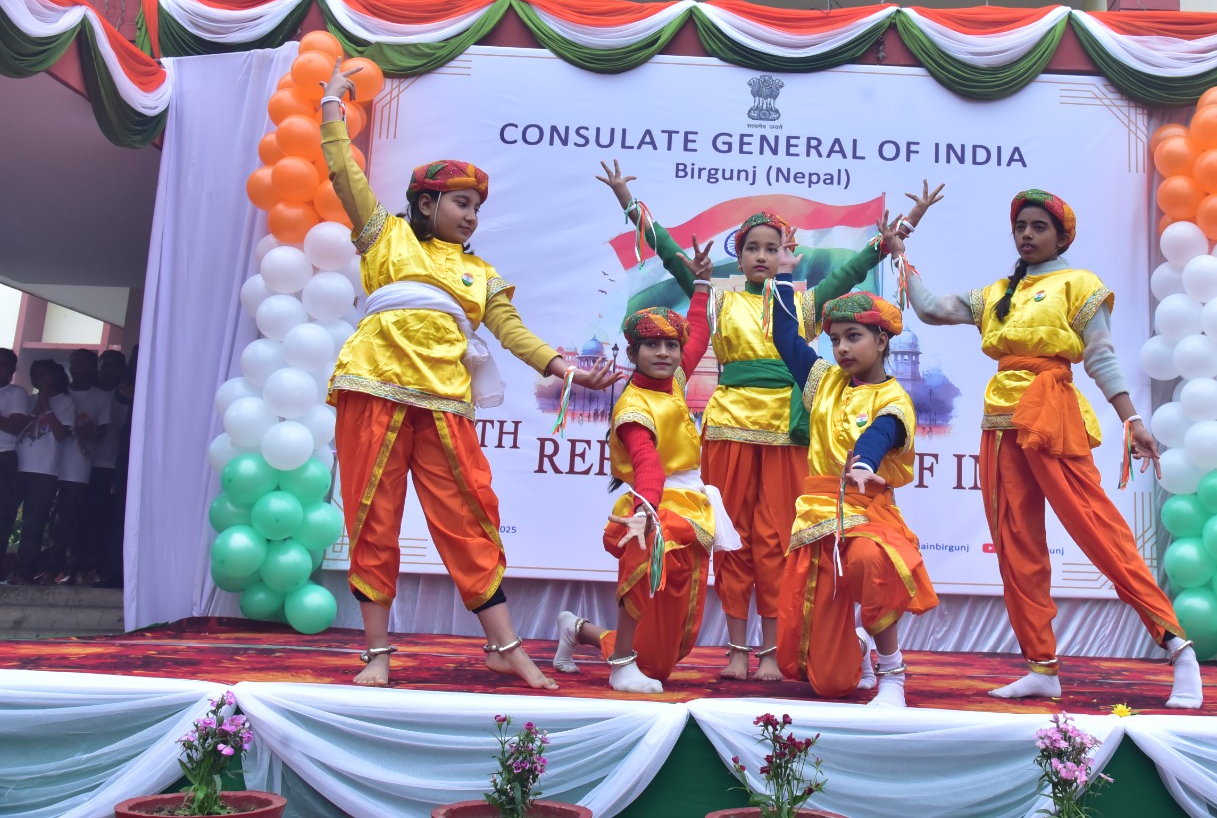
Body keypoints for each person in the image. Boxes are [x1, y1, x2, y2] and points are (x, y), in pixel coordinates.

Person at [318, 62, 624, 690]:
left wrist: (566, 369)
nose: (471, 216)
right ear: (426, 203)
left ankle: (505, 645)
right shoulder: (385, 236)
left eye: (478, 207)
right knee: (372, 516)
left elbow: (512, 331)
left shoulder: (480, 273)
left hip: (445, 403)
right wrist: (330, 108)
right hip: (372, 388)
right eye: (462, 203)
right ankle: (376, 653)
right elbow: (345, 176)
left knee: (469, 515)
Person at [595, 162, 928, 683]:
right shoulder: (721, 299)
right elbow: (673, 259)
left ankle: (771, 650)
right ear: (739, 254)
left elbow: (848, 277)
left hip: (788, 431)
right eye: (752, 247)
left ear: (785, 255)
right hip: (728, 428)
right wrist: (629, 204)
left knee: (777, 539)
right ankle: (734, 649)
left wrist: (889, 240)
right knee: (732, 538)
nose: (762, 256)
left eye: (772, 248)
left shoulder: (802, 303)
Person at [905, 187, 1200, 709]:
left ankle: (1179, 650)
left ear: (1062, 236)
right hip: (999, 426)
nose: (1027, 235)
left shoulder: (1077, 284)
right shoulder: (998, 293)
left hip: (1052, 415)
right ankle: (1041, 667)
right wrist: (898, 248)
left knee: (1100, 531)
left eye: (1039, 227)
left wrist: (1131, 417)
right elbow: (930, 310)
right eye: (1021, 227)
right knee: (1016, 545)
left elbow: (1101, 355)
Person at [554, 241, 740, 693]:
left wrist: (699, 284)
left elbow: (698, 331)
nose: (664, 352)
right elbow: (647, 465)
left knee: (663, 658)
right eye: (651, 345)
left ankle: (577, 630)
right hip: (654, 504)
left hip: (692, 504)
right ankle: (621, 662)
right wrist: (646, 511)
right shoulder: (634, 407)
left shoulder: (674, 381)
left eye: (669, 346)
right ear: (632, 352)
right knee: (644, 547)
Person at [767, 242, 936, 707]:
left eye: (853, 337)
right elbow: (785, 338)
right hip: (817, 515)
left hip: (866, 508)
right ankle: (856, 649)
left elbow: (878, 437)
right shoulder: (823, 381)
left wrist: (862, 466)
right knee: (828, 680)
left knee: (869, 562)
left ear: (881, 341)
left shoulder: (893, 399)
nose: (841, 348)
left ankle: (894, 675)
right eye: (836, 338)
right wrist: (782, 274)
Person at [8, 361, 72, 585]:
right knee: (6, 518)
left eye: (43, 375)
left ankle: (22, 572)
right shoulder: (26, 400)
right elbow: (17, 431)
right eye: (34, 376)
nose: (37, 380)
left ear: (55, 376)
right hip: (18, 467)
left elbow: (62, 434)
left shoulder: (65, 402)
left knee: (33, 524)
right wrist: (33, 412)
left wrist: (46, 407)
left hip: (45, 471)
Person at [51, 349, 109, 584]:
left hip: (78, 469)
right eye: (74, 363)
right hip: (50, 466)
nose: (77, 368)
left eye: (83, 364)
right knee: (51, 520)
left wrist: (90, 432)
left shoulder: (101, 397)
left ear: (93, 368)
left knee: (74, 520)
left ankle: (72, 569)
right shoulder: (60, 394)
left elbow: (102, 432)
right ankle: (49, 569)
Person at [90, 350, 132, 585]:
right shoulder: (93, 394)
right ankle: (86, 568)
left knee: (112, 519)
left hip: (115, 468)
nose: (109, 372)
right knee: (89, 519)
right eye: (105, 366)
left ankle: (110, 570)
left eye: (115, 367)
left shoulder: (128, 396)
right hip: (89, 466)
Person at [0, 349, 31, 565]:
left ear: (12, 369)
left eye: (4, 365)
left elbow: (14, 425)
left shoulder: (16, 393)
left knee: (2, 516)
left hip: (5, 458)